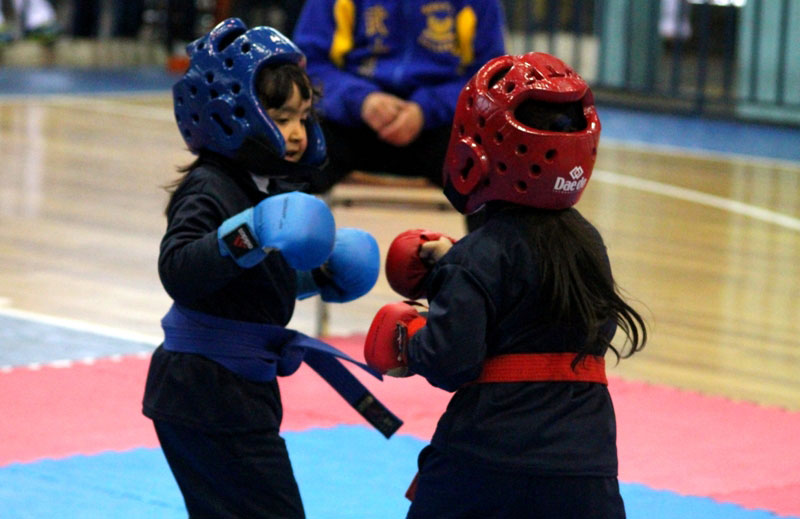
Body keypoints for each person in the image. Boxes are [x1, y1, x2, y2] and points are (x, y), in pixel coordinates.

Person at [364, 52, 648, 518]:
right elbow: (548, 303)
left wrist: (410, 342)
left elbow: (452, 361)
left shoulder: (479, 256)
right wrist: (449, 268)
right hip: (586, 463)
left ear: (474, 148)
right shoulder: (587, 242)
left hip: (486, 458)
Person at [142, 18, 399, 519]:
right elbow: (179, 270)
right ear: (231, 114)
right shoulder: (210, 187)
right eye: (282, 118)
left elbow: (249, 279)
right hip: (203, 388)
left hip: (236, 388)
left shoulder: (271, 188)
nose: (298, 133)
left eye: (303, 117)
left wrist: (316, 277)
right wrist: (249, 233)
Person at [291, 0, 507, 195]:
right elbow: (309, 64)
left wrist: (426, 109)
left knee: (497, 165)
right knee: (290, 148)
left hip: (441, 125)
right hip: (352, 121)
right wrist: (362, 100)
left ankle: (491, 240)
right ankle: (281, 236)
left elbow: (490, 76)